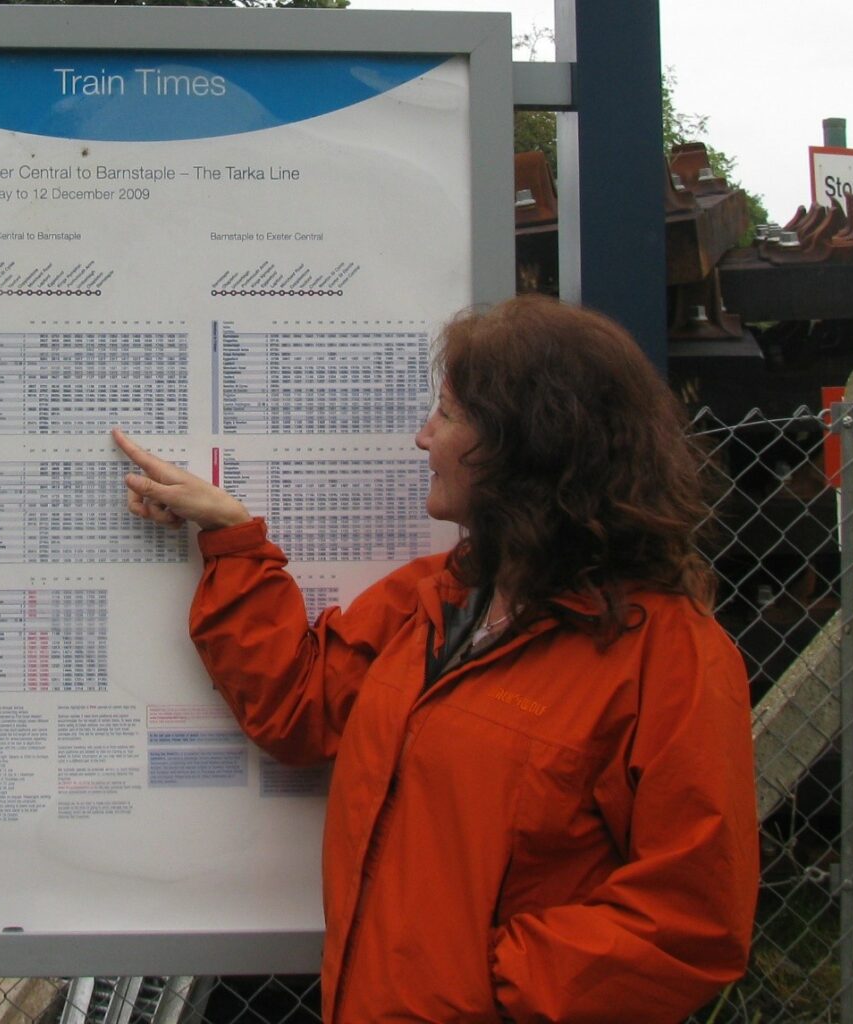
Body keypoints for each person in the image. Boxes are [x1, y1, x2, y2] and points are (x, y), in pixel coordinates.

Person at [113, 293, 759, 1024]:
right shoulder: (441, 600)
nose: (424, 437)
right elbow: (299, 704)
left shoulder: (670, 659)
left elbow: (693, 921)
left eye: (448, 414)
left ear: (526, 444)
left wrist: (481, 988)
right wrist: (230, 539)